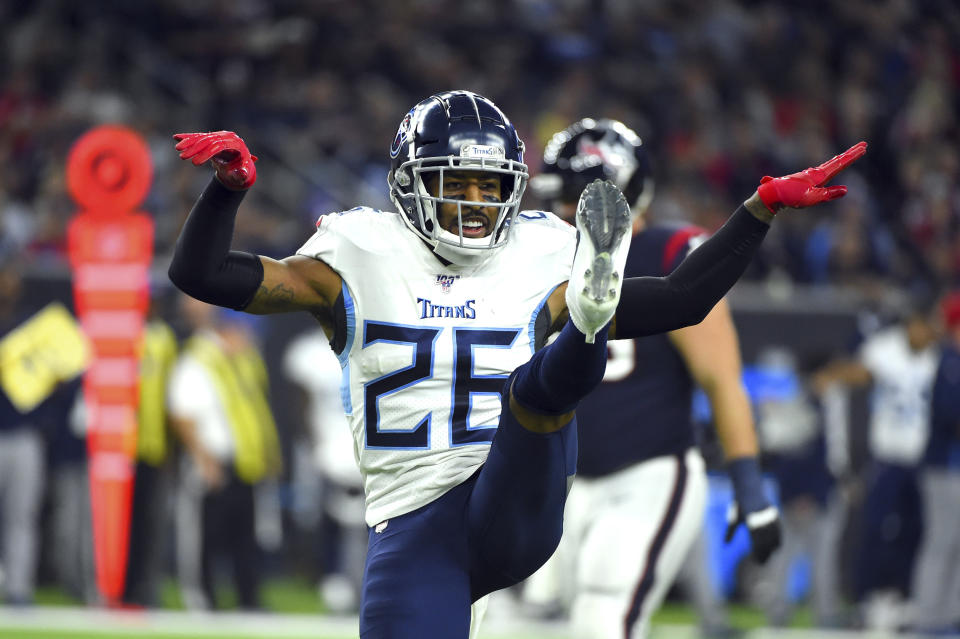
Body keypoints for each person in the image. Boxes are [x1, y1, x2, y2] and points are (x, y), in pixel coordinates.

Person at [168, 89, 865, 638]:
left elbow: (684, 297)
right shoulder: (357, 254)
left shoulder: (540, 253)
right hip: (416, 524)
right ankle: (583, 334)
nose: (475, 203)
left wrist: (760, 207)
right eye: (457, 183)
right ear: (411, 182)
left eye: (490, 186)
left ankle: (588, 328)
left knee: (534, 391)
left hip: (518, 492)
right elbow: (203, 274)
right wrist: (226, 188)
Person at [521, 118, 780, 639]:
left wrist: (749, 484)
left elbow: (721, 379)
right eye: (561, 196)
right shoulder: (542, 256)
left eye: (576, 197)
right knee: (520, 622)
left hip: (647, 474)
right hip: (563, 480)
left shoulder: (671, 252)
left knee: (603, 619)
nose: (564, 212)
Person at [811, 299, 940, 630]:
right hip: (887, 455)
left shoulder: (940, 355)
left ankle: (904, 599)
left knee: (916, 533)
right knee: (874, 530)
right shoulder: (885, 349)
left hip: (923, 459)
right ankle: (865, 599)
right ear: (911, 324)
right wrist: (830, 376)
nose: (928, 333)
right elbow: (856, 372)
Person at [168, 296, 282, 610]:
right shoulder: (198, 359)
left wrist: (267, 453)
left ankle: (249, 600)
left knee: (245, 538)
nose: (251, 338)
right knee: (206, 537)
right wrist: (205, 461)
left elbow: (254, 412)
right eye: (247, 331)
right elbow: (182, 415)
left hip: (245, 462)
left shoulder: (243, 360)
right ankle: (203, 599)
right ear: (229, 329)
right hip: (212, 463)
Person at [907, 291, 960, 634]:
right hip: (944, 467)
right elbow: (948, 413)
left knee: (954, 543)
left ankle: (948, 615)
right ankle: (929, 616)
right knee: (942, 541)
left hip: (950, 465)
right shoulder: (949, 362)